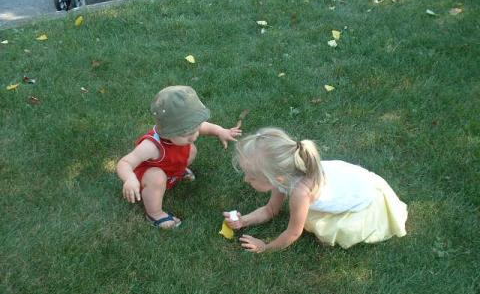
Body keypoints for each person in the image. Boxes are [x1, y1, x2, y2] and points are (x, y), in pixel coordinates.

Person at [223, 127, 407, 252]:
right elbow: (271, 209)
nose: (246, 180)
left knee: (319, 227)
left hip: (363, 196)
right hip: (351, 180)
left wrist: (265, 247)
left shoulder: (300, 193)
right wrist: (243, 221)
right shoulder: (284, 173)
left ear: (276, 178)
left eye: (252, 177)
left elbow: (293, 233)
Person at [117, 85, 241, 229]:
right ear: (168, 132)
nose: (195, 136)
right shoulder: (151, 146)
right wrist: (130, 179)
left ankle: (176, 173)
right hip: (148, 178)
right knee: (157, 177)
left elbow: (202, 127)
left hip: (168, 168)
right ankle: (154, 214)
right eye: (187, 134)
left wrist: (220, 131)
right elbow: (124, 162)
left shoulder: (184, 131)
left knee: (191, 149)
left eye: (195, 130)